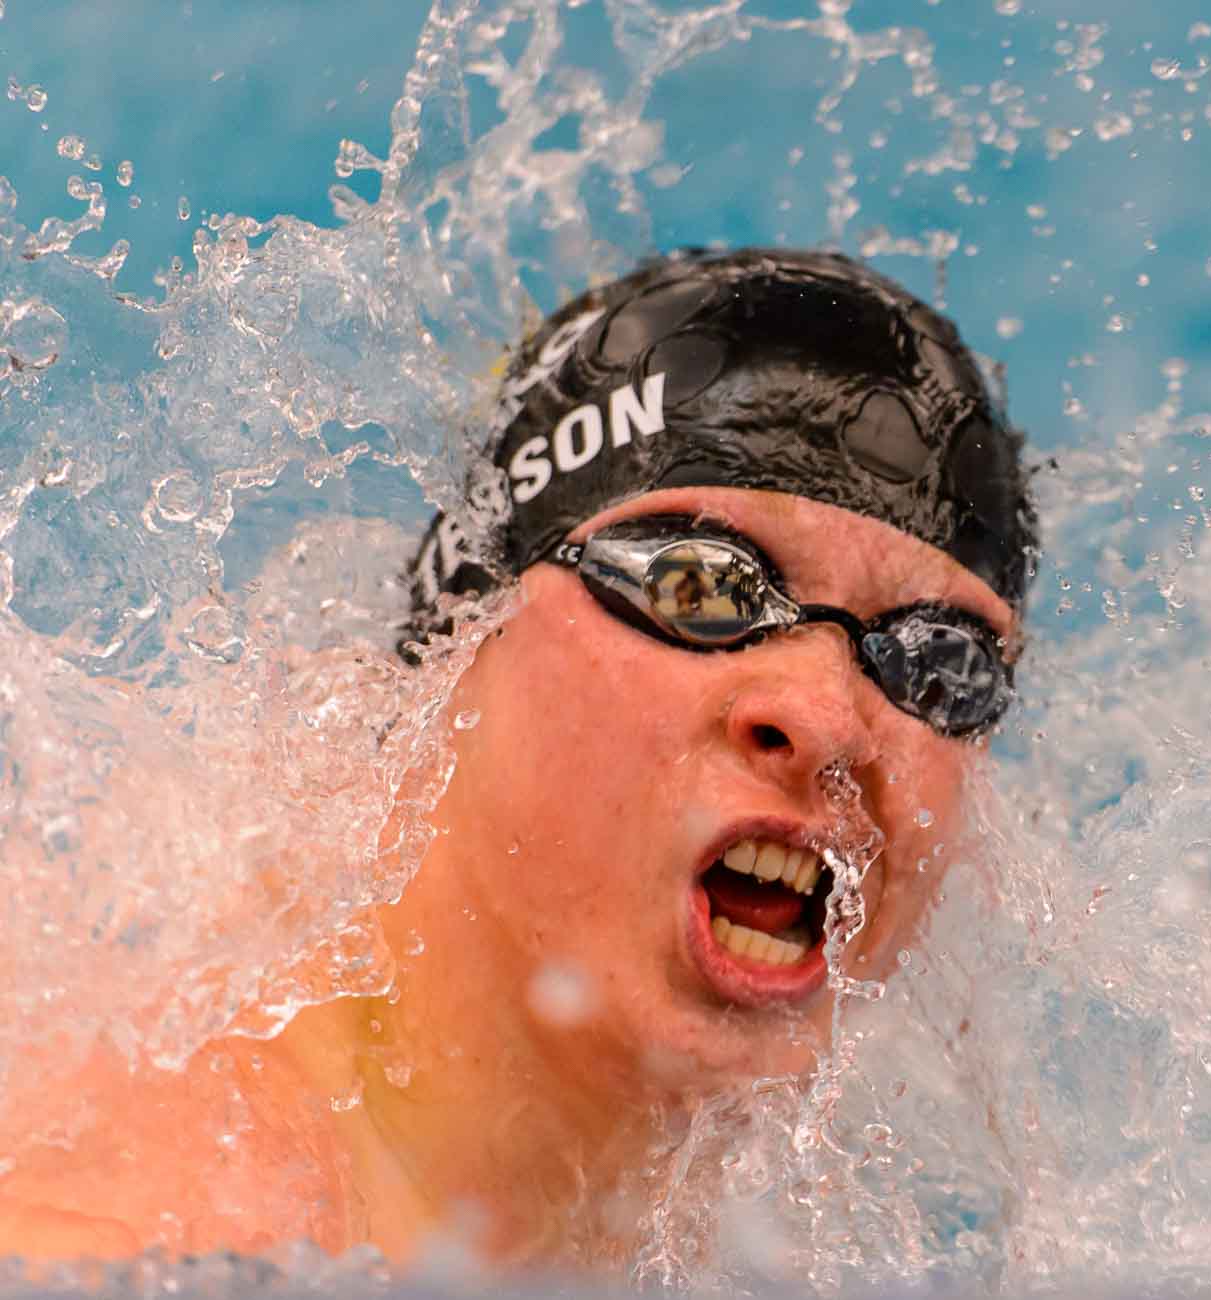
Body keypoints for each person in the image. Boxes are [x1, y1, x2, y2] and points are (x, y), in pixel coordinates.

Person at [0, 248, 1038, 1268]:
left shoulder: (840, 1222)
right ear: (459, 645)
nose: (832, 718)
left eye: (935, 656)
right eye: (700, 585)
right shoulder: (144, 1233)